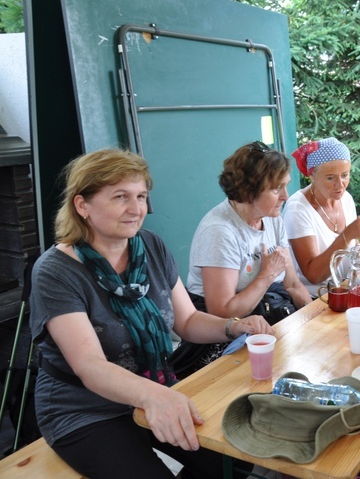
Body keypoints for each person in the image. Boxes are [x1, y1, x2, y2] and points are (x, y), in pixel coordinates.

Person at [30, 149, 265, 479]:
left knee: (233, 460)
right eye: (120, 197)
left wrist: (234, 327)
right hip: (84, 409)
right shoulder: (56, 272)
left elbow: (186, 321)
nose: (136, 209)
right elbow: (90, 366)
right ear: (82, 205)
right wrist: (158, 396)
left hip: (152, 388)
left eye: (141, 196)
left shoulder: (150, 246)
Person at [184, 142, 311, 369]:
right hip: (224, 335)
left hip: (267, 316)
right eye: (276, 189)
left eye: (286, 186)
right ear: (248, 191)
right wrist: (267, 274)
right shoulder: (220, 231)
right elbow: (222, 312)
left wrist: (313, 318)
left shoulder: (272, 218)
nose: (285, 196)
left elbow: (292, 283)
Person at [282, 137, 360, 295]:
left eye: (345, 175)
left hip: (347, 288)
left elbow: (351, 250)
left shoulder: (345, 198)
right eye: (330, 177)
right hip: (317, 300)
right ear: (312, 175)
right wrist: (347, 235)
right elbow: (314, 275)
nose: (340, 185)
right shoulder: (297, 209)